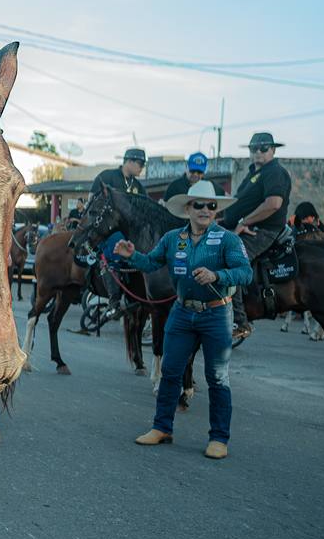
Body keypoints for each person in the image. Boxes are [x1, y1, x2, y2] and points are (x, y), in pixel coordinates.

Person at [116, 179, 252, 459]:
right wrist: (133, 256)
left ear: (216, 210)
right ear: (188, 208)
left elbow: (245, 272)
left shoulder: (228, 239)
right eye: (199, 205)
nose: (205, 210)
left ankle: (219, 438)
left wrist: (218, 276)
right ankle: (162, 428)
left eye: (211, 206)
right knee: (170, 371)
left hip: (216, 313)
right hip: (181, 312)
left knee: (217, 377)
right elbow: (151, 263)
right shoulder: (172, 239)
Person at [218, 131, 293, 339]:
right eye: (254, 148)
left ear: (273, 150)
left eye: (263, 148)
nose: (258, 152)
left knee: (232, 261)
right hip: (245, 226)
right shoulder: (253, 172)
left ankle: (240, 322)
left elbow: (273, 204)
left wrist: (244, 222)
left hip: (263, 230)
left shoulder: (274, 171)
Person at [89, 148, 148, 315]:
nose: (142, 168)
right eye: (140, 163)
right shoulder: (107, 176)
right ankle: (113, 301)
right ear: (128, 161)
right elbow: (91, 200)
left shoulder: (138, 186)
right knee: (116, 243)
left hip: (131, 233)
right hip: (106, 229)